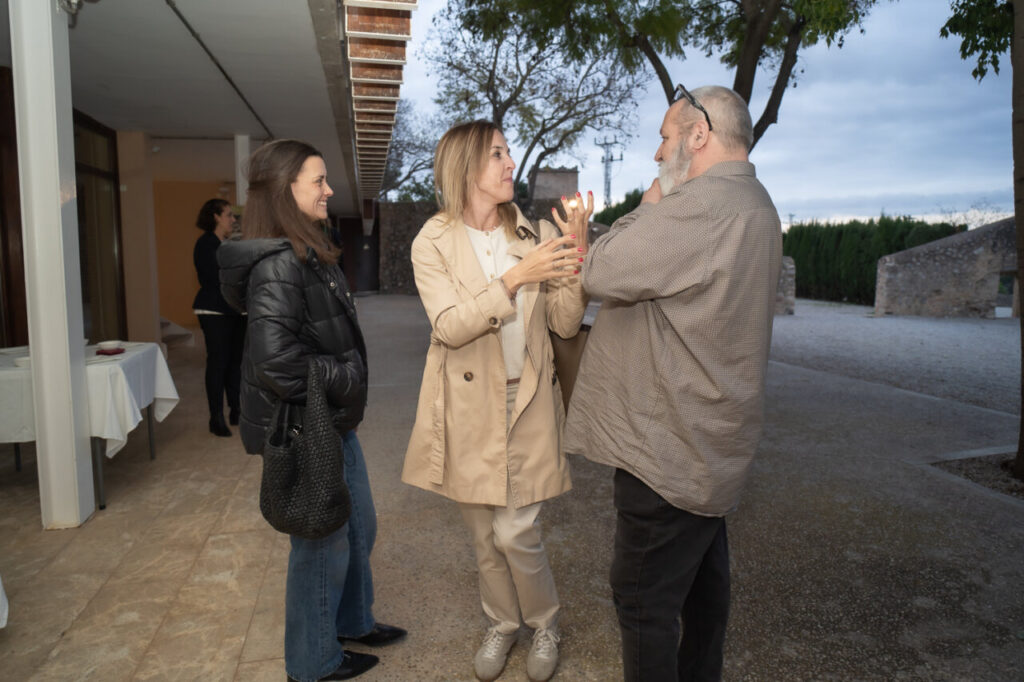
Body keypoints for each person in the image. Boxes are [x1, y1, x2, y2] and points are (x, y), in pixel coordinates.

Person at [564, 85, 783, 682]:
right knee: (702, 597)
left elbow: (601, 269)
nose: (657, 153)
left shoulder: (702, 205)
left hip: (667, 452)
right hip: (711, 447)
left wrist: (650, 205)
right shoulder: (758, 203)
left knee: (642, 600)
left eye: (664, 136)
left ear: (699, 134)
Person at [402, 120, 592, 682]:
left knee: (516, 531)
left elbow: (563, 321)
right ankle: (503, 624)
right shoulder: (430, 242)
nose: (510, 164)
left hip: (527, 400)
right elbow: (451, 326)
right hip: (465, 409)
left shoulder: (531, 236)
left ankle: (545, 622)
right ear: (465, 168)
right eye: (498, 155)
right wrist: (514, 281)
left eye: (508, 153)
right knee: (485, 536)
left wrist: (575, 255)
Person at [217, 139, 406, 682]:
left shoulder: (304, 247)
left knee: (356, 528)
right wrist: (343, 376)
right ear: (285, 191)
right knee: (320, 543)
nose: (328, 190)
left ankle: (351, 621)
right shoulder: (277, 264)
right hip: (306, 424)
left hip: (329, 419)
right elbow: (276, 363)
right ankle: (312, 661)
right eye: (318, 181)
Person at [192, 198, 246, 437]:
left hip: (235, 310)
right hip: (214, 311)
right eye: (228, 215)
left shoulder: (226, 244)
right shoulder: (205, 244)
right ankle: (216, 418)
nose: (233, 220)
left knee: (236, 362)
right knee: (218, 363)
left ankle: (237, 410)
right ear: (215, 217)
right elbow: (216, 277)